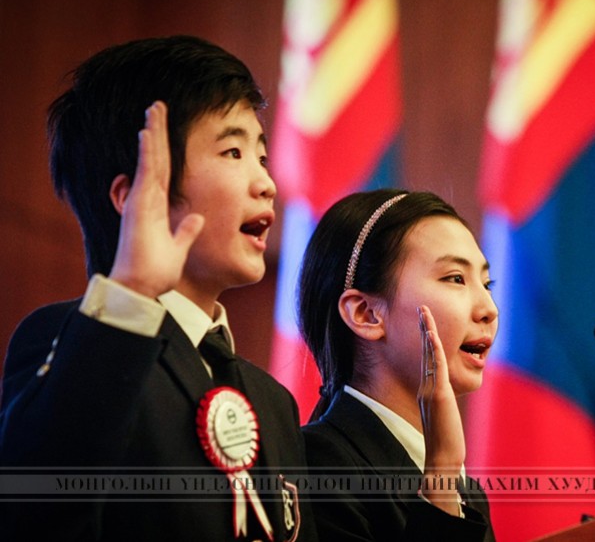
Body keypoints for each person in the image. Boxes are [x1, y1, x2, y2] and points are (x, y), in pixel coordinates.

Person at [0, 36, 316, 542]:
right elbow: (31, 512)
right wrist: (132, 289)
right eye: (233, 151)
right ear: (132, 198)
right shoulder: (68, 341)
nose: (267, 183)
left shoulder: (274, 403)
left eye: (261, 156)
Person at [298, 189, 498, 541]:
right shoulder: (317, 464)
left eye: (486, 283)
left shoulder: (467, 491)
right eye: (455, 278)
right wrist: (441, 472)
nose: (489, 310)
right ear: (366, 313)